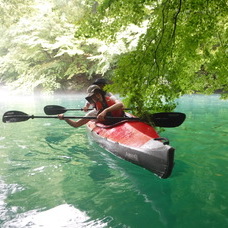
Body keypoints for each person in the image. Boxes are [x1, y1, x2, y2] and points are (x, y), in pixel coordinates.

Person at [58, 85, 125, 128]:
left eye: (97, 94)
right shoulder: (93, 113)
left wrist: (105, 111)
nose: (96, 96)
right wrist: (65, 118)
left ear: (100, 93)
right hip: (107, 124)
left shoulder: (110, 98)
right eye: (93, 96)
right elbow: (76, 124)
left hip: (121, 119)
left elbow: (121, 105)